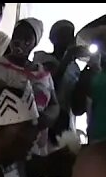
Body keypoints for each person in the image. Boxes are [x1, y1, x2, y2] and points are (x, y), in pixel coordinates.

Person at [0, 18, 59, 157]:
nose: (19, 40)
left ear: (35, 43)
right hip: (6, 144)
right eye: (16, 35)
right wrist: (31, 118)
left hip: (37, 146)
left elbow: (54, 104)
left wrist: (46, 118)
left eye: (27, 37)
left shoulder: (43, 73)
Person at [33, 20, 85, 154]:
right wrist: (67, 58)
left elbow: (77, 107)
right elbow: (49, 85)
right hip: (45, 125)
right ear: (52, 38)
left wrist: (90, 72)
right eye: (63, 35)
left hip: (65, 128)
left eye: (70, 35)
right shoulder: (42, 58)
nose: (68, 39)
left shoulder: (75, 68)